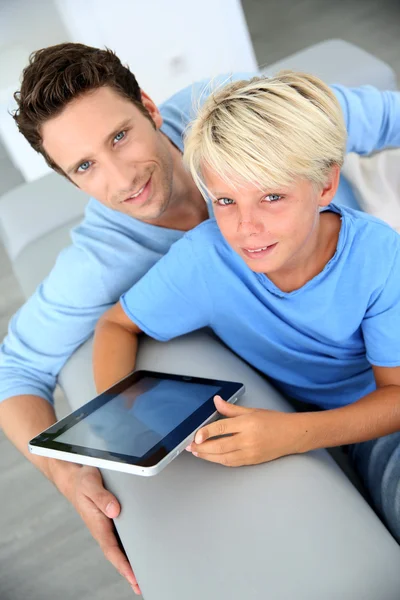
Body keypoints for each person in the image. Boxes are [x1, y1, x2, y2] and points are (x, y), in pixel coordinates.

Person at [0, 42, 397, 594]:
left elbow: (387, 117)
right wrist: (78, 469)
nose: (120, 178)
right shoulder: (143, 262)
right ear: (70, 180)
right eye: (85, 166)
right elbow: (15, 370)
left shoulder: (247, 116)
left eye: (119, 136)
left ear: (148, 107)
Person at [92, 72, 400, 556]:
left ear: (325, 185)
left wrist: (293, 435)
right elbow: (116, 324)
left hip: (378, 419)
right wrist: (121, 418)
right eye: (225, 201)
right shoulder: (205, 259)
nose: (246, 228)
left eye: (272, 197)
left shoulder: (378, 256)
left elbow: (396, 396)